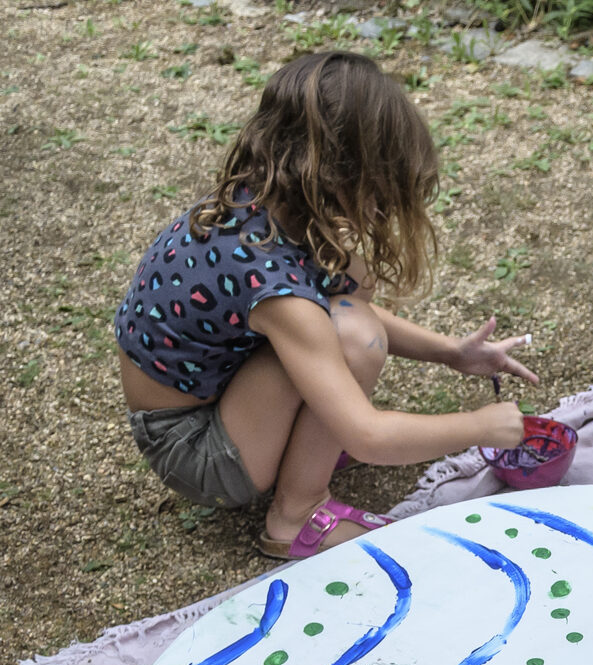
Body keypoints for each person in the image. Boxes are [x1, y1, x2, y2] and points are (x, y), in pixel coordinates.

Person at [114, 51, 535, 559]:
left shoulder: (261, 203)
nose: (383, 208)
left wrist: (450, 352)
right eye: (383, 189)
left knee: (351, 289)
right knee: (355, 335)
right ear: (343, 173)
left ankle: (298, 456)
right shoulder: (274, 285)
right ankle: (296, 515)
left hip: (209, 399)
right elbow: (368, 436)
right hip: (197, 453)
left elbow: (320, 308)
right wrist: (482, 426)